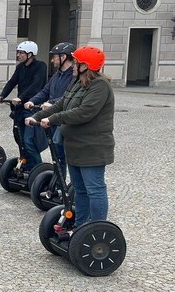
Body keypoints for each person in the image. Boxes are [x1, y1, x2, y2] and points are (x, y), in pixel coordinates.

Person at [29, 46, 114, 236]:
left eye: (76, 62)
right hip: (75, 146)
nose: (73, 65)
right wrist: (38, 116)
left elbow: (85, 112)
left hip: (92, 147)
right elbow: (61, 104)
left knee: (95, 190)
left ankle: (99, 230)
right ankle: (81, 227)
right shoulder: (77, 82)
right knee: (80, 190)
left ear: (87, 65)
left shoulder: (100, 86)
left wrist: (52, 120)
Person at [24, 42, 75, 180]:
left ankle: (60, 186)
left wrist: (50, 103)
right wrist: (32, 101)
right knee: (55, 155)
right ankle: (57, 183)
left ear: (63, 57)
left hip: (62, 119)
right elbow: (45, 91)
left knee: (59, 154)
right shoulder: (57, 75)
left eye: (55, 57)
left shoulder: (73, 77)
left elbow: (68, 98)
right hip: (51, 119)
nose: (52, 60)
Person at [0, 40, 47, 171]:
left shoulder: (41, 66)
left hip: (32, 109)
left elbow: (36, 86)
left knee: (29, 141)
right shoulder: (20, 67)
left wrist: (21, 97)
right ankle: (26, 165)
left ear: (30, 54)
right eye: (18, 52)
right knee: (19, 139)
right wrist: (2, 95)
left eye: (21, 53)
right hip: (19, 109)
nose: (18, 55)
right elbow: (12, 82)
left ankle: (38, 169)